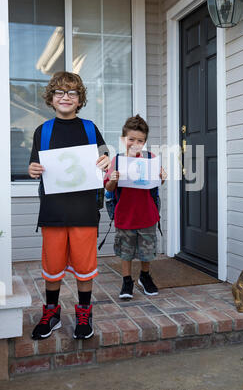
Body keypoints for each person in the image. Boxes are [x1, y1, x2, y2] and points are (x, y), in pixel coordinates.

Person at [28, 71, 109, 340]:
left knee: (85, 268)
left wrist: (106, 160)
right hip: (53, 211)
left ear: (79, 99)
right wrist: (33, 169)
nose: (66, 97)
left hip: (84, 211)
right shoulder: (43, 131)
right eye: (60, 92)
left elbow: (104, 156)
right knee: (52, 267)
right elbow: (34, 165)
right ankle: (51, 312)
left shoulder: (90, 128)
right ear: (51, 98)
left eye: (72, 93)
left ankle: (84, 313)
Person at [104, 114, 166, 300]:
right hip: (125, 213)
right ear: (124, 139)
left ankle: (145, 276)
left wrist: (162, 176)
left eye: (140, 140)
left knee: (147, 249)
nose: (135, 143)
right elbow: (108, 187)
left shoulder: (150, 158)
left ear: (145, 141)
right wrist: (113, 180)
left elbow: (156, 184)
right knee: (126, 249)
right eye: (131, 139)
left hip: (147, 212)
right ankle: (127, 280)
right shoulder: (117, 160)